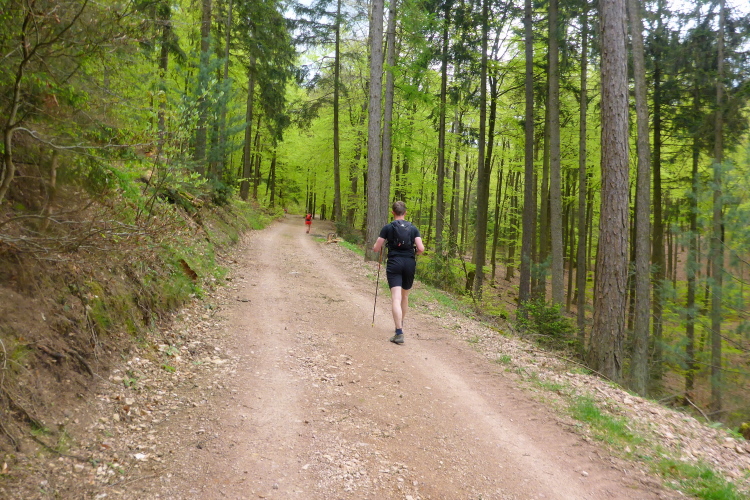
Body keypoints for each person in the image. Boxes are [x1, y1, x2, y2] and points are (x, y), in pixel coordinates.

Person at [372, 201, 425, 344]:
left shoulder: (387, 227)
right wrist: (414, 252)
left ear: (393, 213)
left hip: (394, 263)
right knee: (405, 296)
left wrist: (378, 247)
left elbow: (376, 248)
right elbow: (421, 249)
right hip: (409, 263)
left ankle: (399, 331)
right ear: (405, 213)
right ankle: (400, 322)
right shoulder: (413, 228)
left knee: (396, 298)